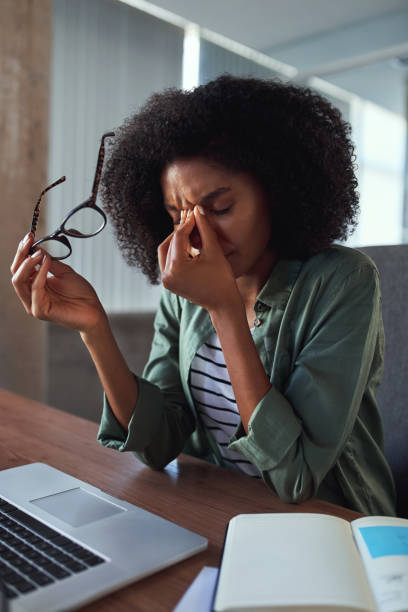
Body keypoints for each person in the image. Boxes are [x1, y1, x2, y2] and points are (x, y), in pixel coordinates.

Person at [11, 75, 396, 516]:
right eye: (177, 214)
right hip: (227, 509)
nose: (197, 235)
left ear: (277, 192)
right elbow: (158, 444)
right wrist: (94, 327)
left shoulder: (342, 282)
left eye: (220, 208)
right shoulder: (184, 293)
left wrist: (224, 310)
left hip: (332, 524)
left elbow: (297, 477)